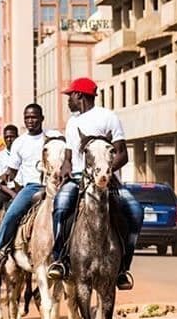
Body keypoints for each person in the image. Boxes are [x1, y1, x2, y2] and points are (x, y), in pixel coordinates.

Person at [47, 78, 143, 291]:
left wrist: (105, 172)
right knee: (61, 206)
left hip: (106, 180)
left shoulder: (108, 117)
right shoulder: (72, 123)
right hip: (78, 179)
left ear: (79, 95)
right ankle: (60, 259)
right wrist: (64, 169)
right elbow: (69, 158)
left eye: (70, 95)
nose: (68, 100)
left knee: (136, 212)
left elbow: (122, 154)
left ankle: (123, 268)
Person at [0, 105, 47, 276]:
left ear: (42, 118)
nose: (30, 121)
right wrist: (6, 176)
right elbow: (12, 170)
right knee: (11, 214)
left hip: (52, 186)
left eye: (34, 117)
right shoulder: (20, 143)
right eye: (27, 118)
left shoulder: (51, 137)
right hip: (31, 187)